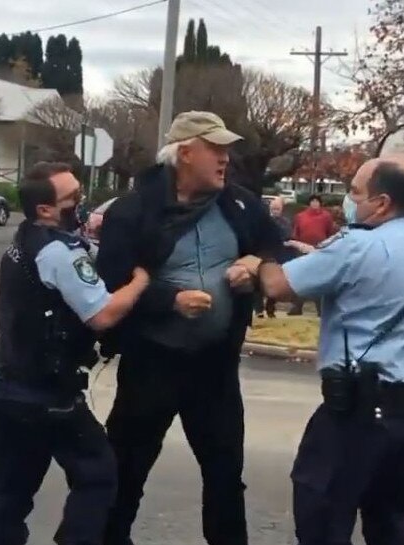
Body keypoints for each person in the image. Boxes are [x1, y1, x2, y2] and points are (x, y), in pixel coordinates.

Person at [96, 111, 283, 545]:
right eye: (215, 149)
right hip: (151, 365)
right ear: (185, 153)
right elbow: (109, 284)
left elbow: (274, 245)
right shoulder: (133, 211)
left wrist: (255, 263)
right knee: (124, 472)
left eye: (226, 150)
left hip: (214, 368)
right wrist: (169, 301)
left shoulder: (241, 204)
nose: (225, 159)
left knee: (224, 478)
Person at [0, 161, 150, 545]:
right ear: (45, 209)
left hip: (11, 386)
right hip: (51, 395)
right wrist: (142, 280)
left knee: (11, 492)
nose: (79, 204)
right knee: (98, 475)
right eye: (72, 198)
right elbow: (103, 314)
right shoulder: (60, 254)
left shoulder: (24, 242)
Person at [253, 156, 404, 545]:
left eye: (355, 192)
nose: (349, 203)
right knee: (391, 520)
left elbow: (278, 286)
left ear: (382, 203)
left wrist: (260, 260)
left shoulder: (357, 245)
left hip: (357, 409)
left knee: (320, 506)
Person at [289, 194, 333, 316]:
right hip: (302, 251)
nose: (315, 203)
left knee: (318, 280)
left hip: (319, 251)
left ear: (320, 203)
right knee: (301, 278)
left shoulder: (326, 216)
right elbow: (295, 232)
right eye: (312, 201)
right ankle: (297, 307)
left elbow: (329, 233)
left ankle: (320, 309)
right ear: (309, 203)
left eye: (317, 201)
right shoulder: (300, 216)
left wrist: (325, 247)